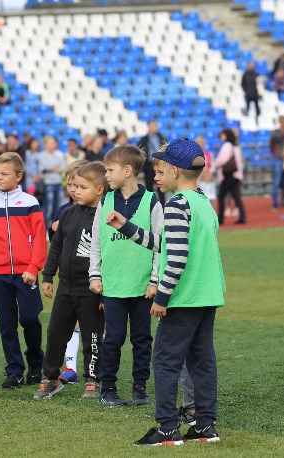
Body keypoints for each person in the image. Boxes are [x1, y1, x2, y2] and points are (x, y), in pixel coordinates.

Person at [106, 138, 225, 446]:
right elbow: (167, 243)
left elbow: (177, 257)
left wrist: (162, 297)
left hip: (182, 298)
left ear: (175, 171)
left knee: (165, 361)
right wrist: (127, 227)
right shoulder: (203, 202)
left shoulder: (176, 204)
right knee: (202, 360)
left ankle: (168, 429)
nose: (155, 177)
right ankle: (205, 425)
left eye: (159, 171)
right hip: (207, 295)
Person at [88, 145, 163, 407]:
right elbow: (96, 241)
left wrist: (154, 280)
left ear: (128, 170)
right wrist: (95, 274)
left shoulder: (152, 201)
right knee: (113, 338)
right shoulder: (105, 201)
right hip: (113, 285)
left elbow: (160, 244)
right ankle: (108, 388)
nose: (106, 175)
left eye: (110, 170)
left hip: (142, 287)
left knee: (141, 340)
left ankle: (140, 388)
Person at [0, 152, 47, 389]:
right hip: (0, 274)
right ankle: (14, 371)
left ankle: (36, 363)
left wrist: (33, 268)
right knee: (6, 324)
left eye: (4, 174)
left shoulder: (30, 203)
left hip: (27, 274)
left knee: (30, 319)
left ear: (18, 176)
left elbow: (39, 239)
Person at [35, 162, 107, 400]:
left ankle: (93, 379)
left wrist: (104, 292)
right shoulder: (67, 213)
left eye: (82, 187)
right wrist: (48, 275)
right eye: (73, 186)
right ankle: (50, 378)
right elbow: (56, 246)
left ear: (99, 189)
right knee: (55, 334)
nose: (75, 191)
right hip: (65, 288)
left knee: (92, 337)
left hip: (91, 290)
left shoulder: (106, 217)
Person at [215, 128, 246, 225]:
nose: (221, 136)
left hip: (228, 175)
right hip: (236, 174)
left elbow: (222, 160)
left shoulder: (227, 145)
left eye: (223, 134)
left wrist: (215, 163)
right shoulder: (234, 146)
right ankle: (242, 217)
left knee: (221, 196)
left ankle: (220, 218)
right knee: (237, 197)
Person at [38, 136, 66, 229]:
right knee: (48, 208)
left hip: (59, 183)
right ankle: (46, 229)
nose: (52, 145)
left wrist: (54, 169)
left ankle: (56, 228)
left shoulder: (59, 154)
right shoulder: (42, 155)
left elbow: (62, 167)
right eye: (50, 143)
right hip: (48, 183)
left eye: (53, 143)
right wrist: (53, 169)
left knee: (58, 207)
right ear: (45, 144)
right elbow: (42, 170)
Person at [138, 120, 167, 205]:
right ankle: (150, 206)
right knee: (149, 187)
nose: (155, 127)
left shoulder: (161, 137)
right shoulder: (144, 139)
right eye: (153, 125)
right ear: (148, 127)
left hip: (160, 164)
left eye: (156, 125)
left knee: (161, 187)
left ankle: (162, 206)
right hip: (149, 166)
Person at [269, 116, 284, 210]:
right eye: (281, 121)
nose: (283, 123)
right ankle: (275, 203)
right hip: (278, 159)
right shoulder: (275, 133)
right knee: (277, 182)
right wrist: (276, 154)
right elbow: (271, 145)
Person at [196, 135, 216, 201]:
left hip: (208, 175)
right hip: (198, 176)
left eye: (202, 143)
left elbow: (213, 165)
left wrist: (210, 173)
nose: (200, 144)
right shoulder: (193, 155)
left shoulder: (209, 154)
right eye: (198, 143)